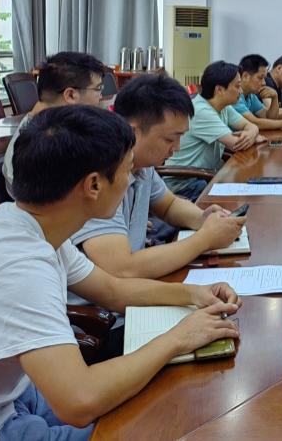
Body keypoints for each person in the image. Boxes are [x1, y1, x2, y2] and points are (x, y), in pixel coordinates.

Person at [0, 105, 241, 441]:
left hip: (11, 394)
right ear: (94, 185)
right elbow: (79, 401)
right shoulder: (17, 266)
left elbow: (112, 290)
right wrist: (178, 338)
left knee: (159, 402)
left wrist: (193, 294)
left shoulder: (29, 225)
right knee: (158, 426)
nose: (132, 180)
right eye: (128, 171)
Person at [68, 75, 247, 358]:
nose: (177, 149)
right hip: (101, 324)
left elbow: (169, 205)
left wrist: (204, 219)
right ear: (133, 132)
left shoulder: (141, 166)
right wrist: (205, 239)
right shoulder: (100, 180)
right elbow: (121, 270)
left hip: (128, 300)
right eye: (170, 139)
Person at [3, 52, 107, 194]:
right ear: (70, 95)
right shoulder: (39, 149)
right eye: (98, 89)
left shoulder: (58, 127)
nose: (101, 97)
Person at [161, 61, 262, 201]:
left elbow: (251, 126)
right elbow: (236, 144)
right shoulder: (202, 111)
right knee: (242, 197)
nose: (240, 91)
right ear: (219, 90)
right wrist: (253, 135)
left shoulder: (223, 107)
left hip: (204, 176)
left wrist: (252, 131)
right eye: (237, 86)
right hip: (185, 185)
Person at [234, 54, 282, 129]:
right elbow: (255, 123)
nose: (264, 83)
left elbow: (268, 117)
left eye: (264, 78)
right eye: (260, 78)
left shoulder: (251, 96)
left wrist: (275, 98)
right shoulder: (235, 95)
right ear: (245, 76)